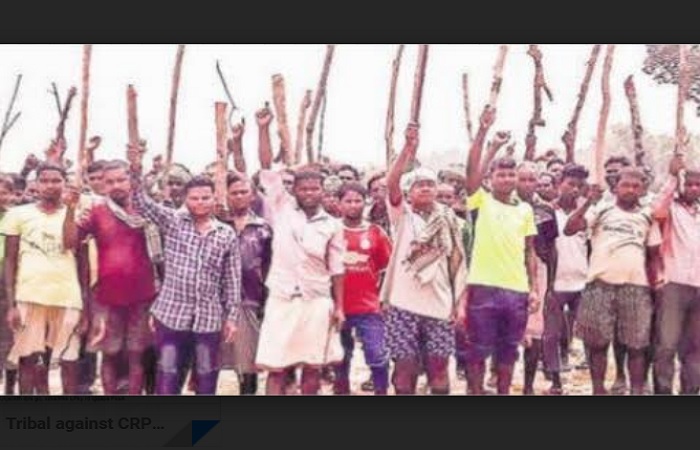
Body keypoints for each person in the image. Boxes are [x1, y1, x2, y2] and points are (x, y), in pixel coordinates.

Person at [127, 143, 240, 395]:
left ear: (214, 198)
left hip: (209, 318)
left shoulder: (226, 234)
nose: (200, 202)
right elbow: (141, 203)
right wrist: (136, 169)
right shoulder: (173, 221)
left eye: (205, 197)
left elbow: (231, 280)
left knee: (206, 376)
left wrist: (231, 317)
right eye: (194, 198)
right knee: (167, 374)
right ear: (186, 200)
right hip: (171, 315)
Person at [253, 105, 345, 395]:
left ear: (323, 191)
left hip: (317, 300)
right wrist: (263, 129)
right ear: (294, 190)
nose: (309, 193)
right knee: (276, 367)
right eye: (303, 188)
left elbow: (337, 269)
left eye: (315, 188)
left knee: (312, 365)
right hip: (282, 297)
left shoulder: (332, 225)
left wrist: (339, 306)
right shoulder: (281, 208)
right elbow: (266, 167)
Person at [383, 122, 468, 395]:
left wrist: (459, 304)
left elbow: (458, 265)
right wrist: (408, 148)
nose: (425, 189)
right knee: (404, 369)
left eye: (430, 185)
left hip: (440, 303)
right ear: (409, 193)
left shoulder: (451, 221)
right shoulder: (402, 217)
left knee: (439, 369)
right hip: (403, 304)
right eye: (419, 185)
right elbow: (391, 183)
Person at [459, 107, 539, 395]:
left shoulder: (525, 210)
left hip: (516, 290)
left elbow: (529, 251)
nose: (506, 179)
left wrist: (534, 288)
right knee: (477, 350)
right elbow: (471, 172)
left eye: (510, 174)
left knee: (508, 352)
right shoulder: (480, 202)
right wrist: (485, 135)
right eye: (500, 174)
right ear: (490, 178)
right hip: (483, 286)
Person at [565, 167, 655, 395]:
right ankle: (598, 390)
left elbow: (654, 253)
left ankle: (636, 391)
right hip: (600, 285)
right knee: (597, 343)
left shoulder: (647, 216)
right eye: (626, 185)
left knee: (636, 345)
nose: (630, 190)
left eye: (636, 186)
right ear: (616, 187)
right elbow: (570, 228)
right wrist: (588, 202)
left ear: (642, 189)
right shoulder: (601, 209)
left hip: (636, 287)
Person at [74, 160, 161, 395]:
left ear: (131, 180)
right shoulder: (96, 211)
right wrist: (72, 212)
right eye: (110, 181)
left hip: (142, 295)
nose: (116, 185)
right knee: (109, 354)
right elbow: (72, 241)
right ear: (102, 185)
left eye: (121, 179)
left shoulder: (147, 211)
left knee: (136, 355)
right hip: (106, 297)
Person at [2, 163, 88, 394]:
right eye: (45, 180)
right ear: (36, 184)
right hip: (29, 296)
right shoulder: (18, 214)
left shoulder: (78, 215)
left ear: (65, 183)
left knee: (69, 360)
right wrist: (11, 305)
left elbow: (76, 254)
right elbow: (10, 261)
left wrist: (85, 304)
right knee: (29, 360)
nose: (50, 186)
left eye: (56, 180)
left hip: (67, 298)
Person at [333, 182, 392, 395]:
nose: (353, 205)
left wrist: (384, 299)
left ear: (365, 202)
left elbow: (387, 270)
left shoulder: (376, 233)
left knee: (377, 354)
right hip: (337, 306)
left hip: (369, 306)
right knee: (340, 356)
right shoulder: (330, 231)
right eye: (348, 201)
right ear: (338, 203)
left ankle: (381, 390)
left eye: (358, 200)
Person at [218, 173, 273, 395]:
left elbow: (269, 267)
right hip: (216, 301)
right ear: (227, 196)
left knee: (248, 363)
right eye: (234, 193)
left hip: (250, 299)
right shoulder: (217, 225)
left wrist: (266, 301)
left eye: (244, 192)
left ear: (252, 196)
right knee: (211, 361)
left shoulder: (263, 229)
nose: (239, 196)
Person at [652, 154, 700, 394]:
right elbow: (656, 211)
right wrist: (672, 178)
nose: (694, 189)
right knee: (666, 345)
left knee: (695, 348)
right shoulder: (671, 209)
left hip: (699, 287)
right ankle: (663, 393)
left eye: (698, 185)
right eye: (689, 184)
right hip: (674, 284)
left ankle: (690, 393)